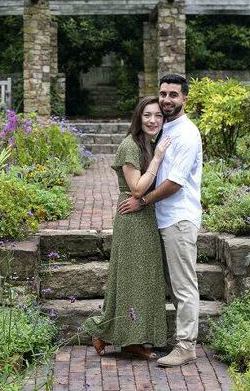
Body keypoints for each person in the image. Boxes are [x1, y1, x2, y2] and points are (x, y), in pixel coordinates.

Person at [118, 74, 203, 367]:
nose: (167, 100)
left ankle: (186, 346)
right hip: (162, 219)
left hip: (179, 219)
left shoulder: (188, 134)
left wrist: (142, 200)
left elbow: (175, 183)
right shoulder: (166, 129)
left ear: (184, 99)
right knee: (171, 285)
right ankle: (177, 339)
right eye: (163, 94)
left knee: (183, 287)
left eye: (173, 95)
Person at [82, 96, 172, 360]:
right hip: (133, 216)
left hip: (146, 214)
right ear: (138, 118)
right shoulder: (130, 146)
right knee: (132, 278)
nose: (153, 120)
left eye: (158, 115)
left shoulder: (148, 143)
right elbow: (137, 188)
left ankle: (131, 339)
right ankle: (108, 333)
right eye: (147, 115)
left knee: (144, 279)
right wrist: (156, 159)